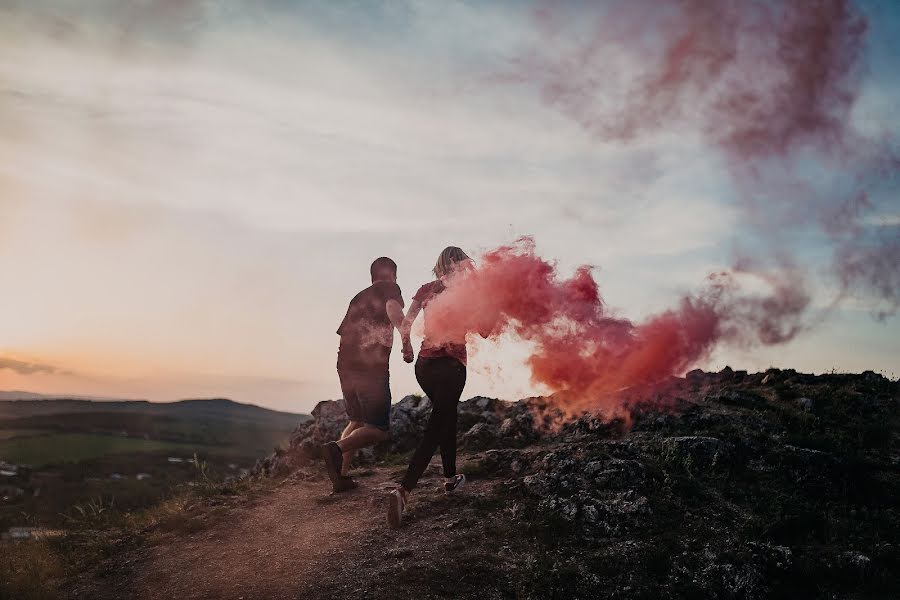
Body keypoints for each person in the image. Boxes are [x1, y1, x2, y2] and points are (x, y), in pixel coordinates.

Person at [387, 246, 474, 528]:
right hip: (451, 367)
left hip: (423, 367)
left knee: (446, 416)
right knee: (438, 424)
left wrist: (406, 348)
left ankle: (450, 480)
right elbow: (485, 329)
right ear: (462, 265)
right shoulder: (468, 293)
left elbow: (406, 323)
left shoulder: (427, 288)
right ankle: (404, 490)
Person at [322, 257, 413, 493]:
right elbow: (393, 310)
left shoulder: (358, 297)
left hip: (345, 364)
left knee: (357, 421)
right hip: (370, 369)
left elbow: (344, 333)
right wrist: (406, 339)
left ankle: (340, 477)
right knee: (379, 429)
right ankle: (336, 449)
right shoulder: (389, 288)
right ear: (392, 274)